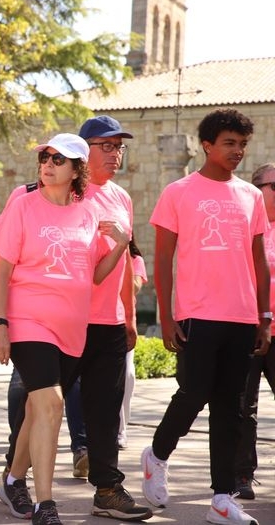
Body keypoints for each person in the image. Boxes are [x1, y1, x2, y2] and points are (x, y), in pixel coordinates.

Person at [0, 133, 131, 525]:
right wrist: (0, 323)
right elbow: (2, 270)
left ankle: (13, 479)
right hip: (28, 321)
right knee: (52, 403)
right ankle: (45, 505)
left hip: (71, 328)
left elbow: (94, 275)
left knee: (39, 409)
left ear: (77, 170)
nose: (47, 164)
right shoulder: (23, 205)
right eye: (45, 157)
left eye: (58, 159)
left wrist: (120, 246)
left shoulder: (88, 212)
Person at [142, 108, 267, 525]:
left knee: (231, 409)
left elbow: (259, 262)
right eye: (229, 143)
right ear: (207, 145)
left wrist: (264, 316)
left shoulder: (250, 196)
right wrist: (166, 315)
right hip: (197, 312)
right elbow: (163, 258)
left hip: (241, 316)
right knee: (193, 394)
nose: (237, 151)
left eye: (242, 144)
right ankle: (157, 455)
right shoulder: (178, 192)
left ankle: (222, 498)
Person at [74, 115, 150, 521]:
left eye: (119, 146)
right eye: (106, 145)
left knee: (105, 410)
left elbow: (125, 261)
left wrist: (130, 316)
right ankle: (15, 477)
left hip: (109, 322)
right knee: (40, 406)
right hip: (65, 319)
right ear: (83, 149)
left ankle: (107, 490)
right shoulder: (67, 191)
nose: (115, 153)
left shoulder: (122, 198)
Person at [234, 162, 275, 501]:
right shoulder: (244, 227)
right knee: (243, 408)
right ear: (257, 189)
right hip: (248, 328)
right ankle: (241, 474)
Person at [117, 237, 146, 450]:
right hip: (97, 321)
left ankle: (120, 429)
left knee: (127, 376)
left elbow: (134, 287)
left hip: (124, 323)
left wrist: (122, 254)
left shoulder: (136, 260)